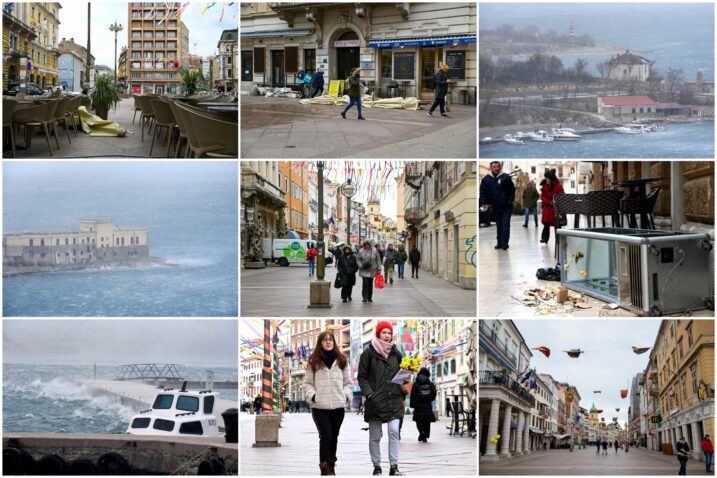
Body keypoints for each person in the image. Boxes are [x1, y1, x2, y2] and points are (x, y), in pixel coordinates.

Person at [358, 321, 407, 476]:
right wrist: (370, 395)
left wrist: (406, 374)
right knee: (375, 436)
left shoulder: (397, 353)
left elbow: (403, 376)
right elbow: (362, 377)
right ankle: (377, 466)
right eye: (384, 332)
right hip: (375, 401)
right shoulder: (368, 353)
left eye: (389, 333)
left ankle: (394, 466)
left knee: (394, 432)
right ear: (378, 333)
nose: (387, 335)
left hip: (393, 399)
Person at [304, 330, 353, 476]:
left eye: (330, 339)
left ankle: (331, 464)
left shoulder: (342, 360)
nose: (328, 342)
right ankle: (325, 469)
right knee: (326, 436)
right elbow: (307, 383)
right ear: (320, 343)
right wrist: (313, 396)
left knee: (334, 436)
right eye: (324, 340)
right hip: (319, 406)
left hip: (338, 406)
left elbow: (348, 383)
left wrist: (345, 396)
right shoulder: (313, 361)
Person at [479, 161, 515, 250]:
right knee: (499, 225)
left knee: (506, 224)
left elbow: (512, 189)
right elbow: (482, 192)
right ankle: (499, 242)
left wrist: (510, 200)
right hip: (495, 206)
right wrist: (483, 202)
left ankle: (505, 243)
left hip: (507, 206)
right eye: (494, 167)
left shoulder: (506, 177)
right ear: (491, 168)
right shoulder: (486, 179)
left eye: (498, 166)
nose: (496, 168)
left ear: (500, 167)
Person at [409, 367, 436, 443]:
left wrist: (412, 405)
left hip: (418, 406)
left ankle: (421, 432)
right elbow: (434, 393)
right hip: (427, 405)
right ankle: (426, 434)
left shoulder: (416, 384)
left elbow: (413, 395)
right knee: (427, 421)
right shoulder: (430, 384)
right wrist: (430, 399)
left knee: (419, 421)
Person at [540, 169, 565, 244]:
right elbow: (542, 196)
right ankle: (544, 238)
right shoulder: (545, 186)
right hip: (547, 208)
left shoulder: (558, 186)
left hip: (555, 209)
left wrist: (554, 202)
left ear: (551, 178)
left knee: (557, 224)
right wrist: (548, 202)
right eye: (546, 178)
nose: (546, 179)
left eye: (547, 178)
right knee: (546, 224)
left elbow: (561, 195)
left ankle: (558, 238)